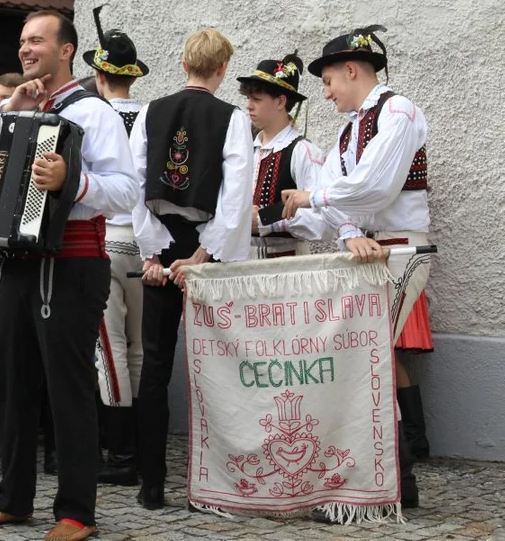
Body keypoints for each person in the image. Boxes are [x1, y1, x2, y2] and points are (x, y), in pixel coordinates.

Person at [0, 11, 137, 541]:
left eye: (38, 41)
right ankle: (14, 499)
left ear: (66, 50)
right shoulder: (17, 106)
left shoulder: (93, 112)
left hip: (73, 262)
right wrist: (10, 108)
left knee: (68, 387)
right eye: (23, 41)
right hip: (13, 261)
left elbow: (125, 191)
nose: (27, 49)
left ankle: (77, 512)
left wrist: (71, 181)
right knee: (11, 384)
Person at [281, 25, 431, 508]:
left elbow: (375, 187)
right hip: (369, 249)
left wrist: (314, 197)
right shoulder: (349, 129)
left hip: (400, 248)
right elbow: (339, 201)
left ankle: (388, 484)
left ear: (351, 70)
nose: (325, 93)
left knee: (371, 361)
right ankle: (394, 485)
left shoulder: (398, 111)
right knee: (367, 361)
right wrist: (348, 233)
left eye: (328, 81)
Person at [130, 28, 253, 511]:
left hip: (163, 241)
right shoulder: (232, 117)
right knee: (219, 364)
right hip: (205, 248)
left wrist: (154, 253)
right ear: (221, 69)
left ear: (184, 64)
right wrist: (203, 256)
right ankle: (222, 481)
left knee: (155, 366)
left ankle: (152, 484)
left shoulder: (149, 112)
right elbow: (236, 194)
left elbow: (135, 186)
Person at [82, 5, 149, 486]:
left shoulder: (95, 117)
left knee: (111, 348)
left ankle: (122, 451)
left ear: (100, 74)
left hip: (109, 238)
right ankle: (138, 445)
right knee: (140, 348)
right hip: (146, 242)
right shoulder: (151, 116)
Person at [235, 52, 327, 258]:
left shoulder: (303, 151)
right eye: (248, 98)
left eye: (256, 99)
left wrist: (264, 220)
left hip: (286, 265)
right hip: (242, 263)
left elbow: (320, 219)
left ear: (280, 102)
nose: (249, 105)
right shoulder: (246, 149)